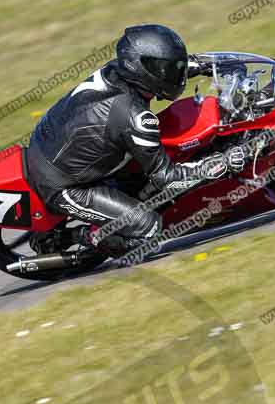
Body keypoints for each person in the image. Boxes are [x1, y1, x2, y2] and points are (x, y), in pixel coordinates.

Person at [26, 24, 244, 252]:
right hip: (62, 184)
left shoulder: (117, 69)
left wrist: (202, 64)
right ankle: (70, 237)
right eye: (164, 69)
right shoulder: (135, 117)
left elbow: (157, 72)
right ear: (141, 69)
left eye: (170, 68)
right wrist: (218, 165)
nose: (170, 74)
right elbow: (167, 178)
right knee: (148, 231)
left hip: (54, 144)